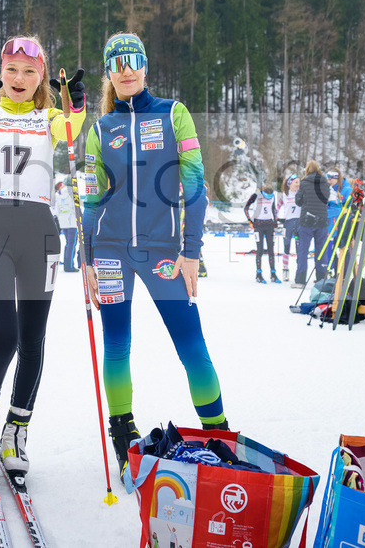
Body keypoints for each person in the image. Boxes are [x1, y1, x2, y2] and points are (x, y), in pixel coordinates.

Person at [82, 33, 228, 478]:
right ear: (109, 72)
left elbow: (197, 188)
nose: (126, 69)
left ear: (145, 66)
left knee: (191, 345)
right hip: (107, 252)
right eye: (117, 63)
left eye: (134, 61)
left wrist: (191, 252)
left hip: (164, 251)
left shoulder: (173, 114)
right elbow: (90, 199)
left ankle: (218, 434)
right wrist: (84, 257)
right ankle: (123, 431)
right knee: (117, 345)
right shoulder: (100, 129)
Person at [0, 36, 86, 475]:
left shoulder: (48, 116)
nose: (19, 79)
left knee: (32, 340)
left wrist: (77, 105)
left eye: (30, 72)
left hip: (41, 235)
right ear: (0, 70)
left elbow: (70, 129)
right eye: (12, 69)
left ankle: (16, 430)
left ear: (41, 76)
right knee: (3, 337)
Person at [292, 160, 331, 288]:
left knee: (303, 251)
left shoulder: (304, 182)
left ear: (307, 169)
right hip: (322, 220)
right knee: (321, 251)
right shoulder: (325, 183)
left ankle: (300, 280)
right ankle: (321, 279)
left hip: (307, 220)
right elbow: (326, 199)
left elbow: (298, 201)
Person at [244, 182, 281, 283]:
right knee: (259, 250)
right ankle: (258, 274)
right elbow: (246, 207)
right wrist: (250, 221)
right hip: (258, 226)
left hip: (269, 225)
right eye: (266, 197)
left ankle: (273, 274)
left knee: (271, 250)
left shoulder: (273, 196)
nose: (268, 198)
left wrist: (276, 221)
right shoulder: (256, 195)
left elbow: (274, 209)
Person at [277, 173, 301, 281]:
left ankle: (299, 271)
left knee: (298, 247)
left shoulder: (300, 194)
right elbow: (277, 207)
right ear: (290, 183)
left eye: (299, 182)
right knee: (286, 246)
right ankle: (285, 270)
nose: (298, 184)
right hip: (288, 224)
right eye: (296, 182)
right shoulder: (284, 195)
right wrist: (275, 218)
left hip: (299, 223)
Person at [55, 179, 79, 272]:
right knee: (72, 244)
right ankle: (69, 266)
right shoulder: (72, 192)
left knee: (68, 244)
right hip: (72, 221)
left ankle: (67, 265)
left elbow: (57, 210)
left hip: (63, 222)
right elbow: (76, 206)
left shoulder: (58, 195)